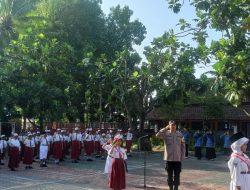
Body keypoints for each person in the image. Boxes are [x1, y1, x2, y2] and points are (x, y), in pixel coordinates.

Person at [156, 120, 185, 190]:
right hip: (169, 159)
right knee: (169, 175)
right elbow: (157, 135)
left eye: (174, 125)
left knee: (177, 174)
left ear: (176, 126)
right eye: (171, 125)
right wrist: (165, 128)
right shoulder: (165, 134)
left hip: (177, 158)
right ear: (169, 126)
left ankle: (176, 187)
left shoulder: (180, 134)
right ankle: (171, 187)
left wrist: (182, 156)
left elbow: (183, 146)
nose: (173, 126)